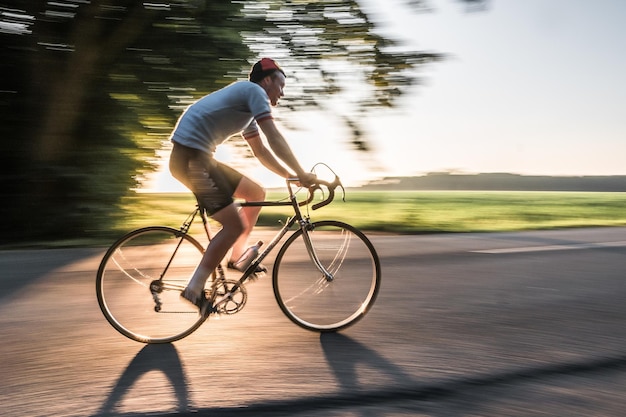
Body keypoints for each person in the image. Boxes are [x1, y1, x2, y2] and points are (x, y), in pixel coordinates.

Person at [168, 58, 316, 314]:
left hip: (200, 157)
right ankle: (193, 289)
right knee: (233, 224)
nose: (282, 92)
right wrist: (301, 172)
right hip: (190, 158)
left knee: (255, 192)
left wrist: (290, 176)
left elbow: (261, 151)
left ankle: (237, 258)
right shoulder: (254, 92)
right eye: (281, 85)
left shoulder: (247, 108)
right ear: (267, 80)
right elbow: (274, 136)